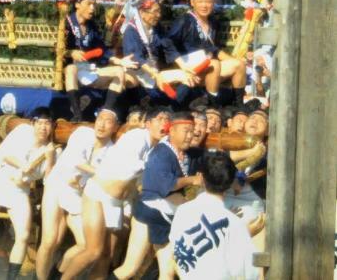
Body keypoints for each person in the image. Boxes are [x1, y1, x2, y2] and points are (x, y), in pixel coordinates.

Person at [59, 107, 170, 280]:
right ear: (147, 124)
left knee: (106, 256)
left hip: (117, 203)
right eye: (160, 118)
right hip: (98, 194)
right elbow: (131, 168)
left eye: (166, 120)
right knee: (93, 251)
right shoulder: (137, 137)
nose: (164, 123)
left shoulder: (159, 148)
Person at [0, 108, 57, 280]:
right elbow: (4, 154)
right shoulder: (22, 131)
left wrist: (50, 158)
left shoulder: (52, 149)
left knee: (23, 235)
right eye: (40, 123)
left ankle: (10, 278)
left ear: (52, 126)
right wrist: (24, 165)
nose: (43, 127)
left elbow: (48, 179)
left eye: (48, 123)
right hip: (1, 179)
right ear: (33, 123)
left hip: (20, 189)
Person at [113, 113, 203, 280]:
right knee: (130, 269)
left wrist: (252, 151)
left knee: (167, 273)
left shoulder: (190, 153)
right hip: (149, 215)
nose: (191, 135)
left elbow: (217, 159)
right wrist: (192, 179)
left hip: (169, 218)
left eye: (193, 131)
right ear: (172, 130)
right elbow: (166, 185)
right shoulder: (160, 154)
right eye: (186, 130)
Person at [36, 108, 118, 280]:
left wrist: (87, 182)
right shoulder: (82, 133)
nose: (102, 124)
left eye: (108, 121)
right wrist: (97, 174)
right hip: (58, 184)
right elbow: (76, 160)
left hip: (80, 195)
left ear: (116, 127)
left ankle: (57, 275)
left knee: (85, 245)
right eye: (99, 119)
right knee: (50, 239)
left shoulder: (112, 150)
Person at [169, 151, 258, 279]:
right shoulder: (236, 224)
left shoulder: (183, 210)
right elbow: (249, 273)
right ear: (230, 182)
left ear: (202, 178)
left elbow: (176, 253)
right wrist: (247, 233)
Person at [65, 0, 137, 121]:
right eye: (89, 4)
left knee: (119, 72)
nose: (92, 8)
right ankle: (77, 113)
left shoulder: (92, 26)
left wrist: (120, 61)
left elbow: (102, 51)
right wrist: (70, 52)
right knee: (71, 69)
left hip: (89, 69)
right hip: (71, 72)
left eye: (94, 4)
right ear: (77, 4)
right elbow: (56, 49)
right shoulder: (66, 23)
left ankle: (106, 112)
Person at [167, 0, 247, 104]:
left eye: (208, 2)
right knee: (213, 65)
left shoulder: (213, 22)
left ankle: (238, 105)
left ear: (213, 3)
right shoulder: (184, 21)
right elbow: (167, 41)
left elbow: (213, 49)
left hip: (207, 65)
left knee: (239, 64)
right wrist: (180, 63)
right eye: (200, 2)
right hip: (189, 67)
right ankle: (212, 104)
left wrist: (233, 59)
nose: (204, 5)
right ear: (192, 2)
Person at [122, 0, 199, 101]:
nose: (158, 15)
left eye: (159, 11)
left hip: (154, 70)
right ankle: (172, 104)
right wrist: (156, 75)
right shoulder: (131, 31)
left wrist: (184, 66)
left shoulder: (156, 27)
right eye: (155, 12)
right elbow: (137, 58)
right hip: (139, 74)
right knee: (182, 81)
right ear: (142, 13)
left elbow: (168, 46)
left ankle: (174, 104)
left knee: (188, 76)